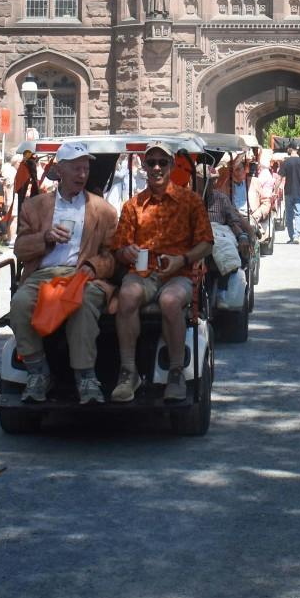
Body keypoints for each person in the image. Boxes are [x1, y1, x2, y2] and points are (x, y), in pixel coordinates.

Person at [7, 140, 118, 405]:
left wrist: (94, 267)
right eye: (76, 169)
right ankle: (38, 371)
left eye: (85, 170)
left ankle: (86, 376)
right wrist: (45, 238)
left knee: (82, 304)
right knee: (20, 303)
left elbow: (112, 256)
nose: (82, 175)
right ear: (60, 171)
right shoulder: (35, 206)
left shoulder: (103, 210)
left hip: (82, 274)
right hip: (42, 275)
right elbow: (20, 250)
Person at [109, 143, 214, 404]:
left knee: (169, 301)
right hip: (143, 273)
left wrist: (183, 259)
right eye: (151, 162)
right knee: (127, 294)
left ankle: (176, 371)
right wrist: (128, 253)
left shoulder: (190, 201)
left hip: (179, 272)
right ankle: (128, 371)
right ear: (144, 167)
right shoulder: (133, 206)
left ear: (171, 166)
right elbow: (119, 249)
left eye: (162, 162)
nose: (156, 167)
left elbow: (206, 242)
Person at [277, 144, 300, 244]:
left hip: (289, 192)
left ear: (290, 150)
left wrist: (275, 189)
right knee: (299, 214)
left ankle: (291, 237)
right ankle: (296, 236)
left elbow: (280, 178)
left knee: (289, 215)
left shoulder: (286, 162)